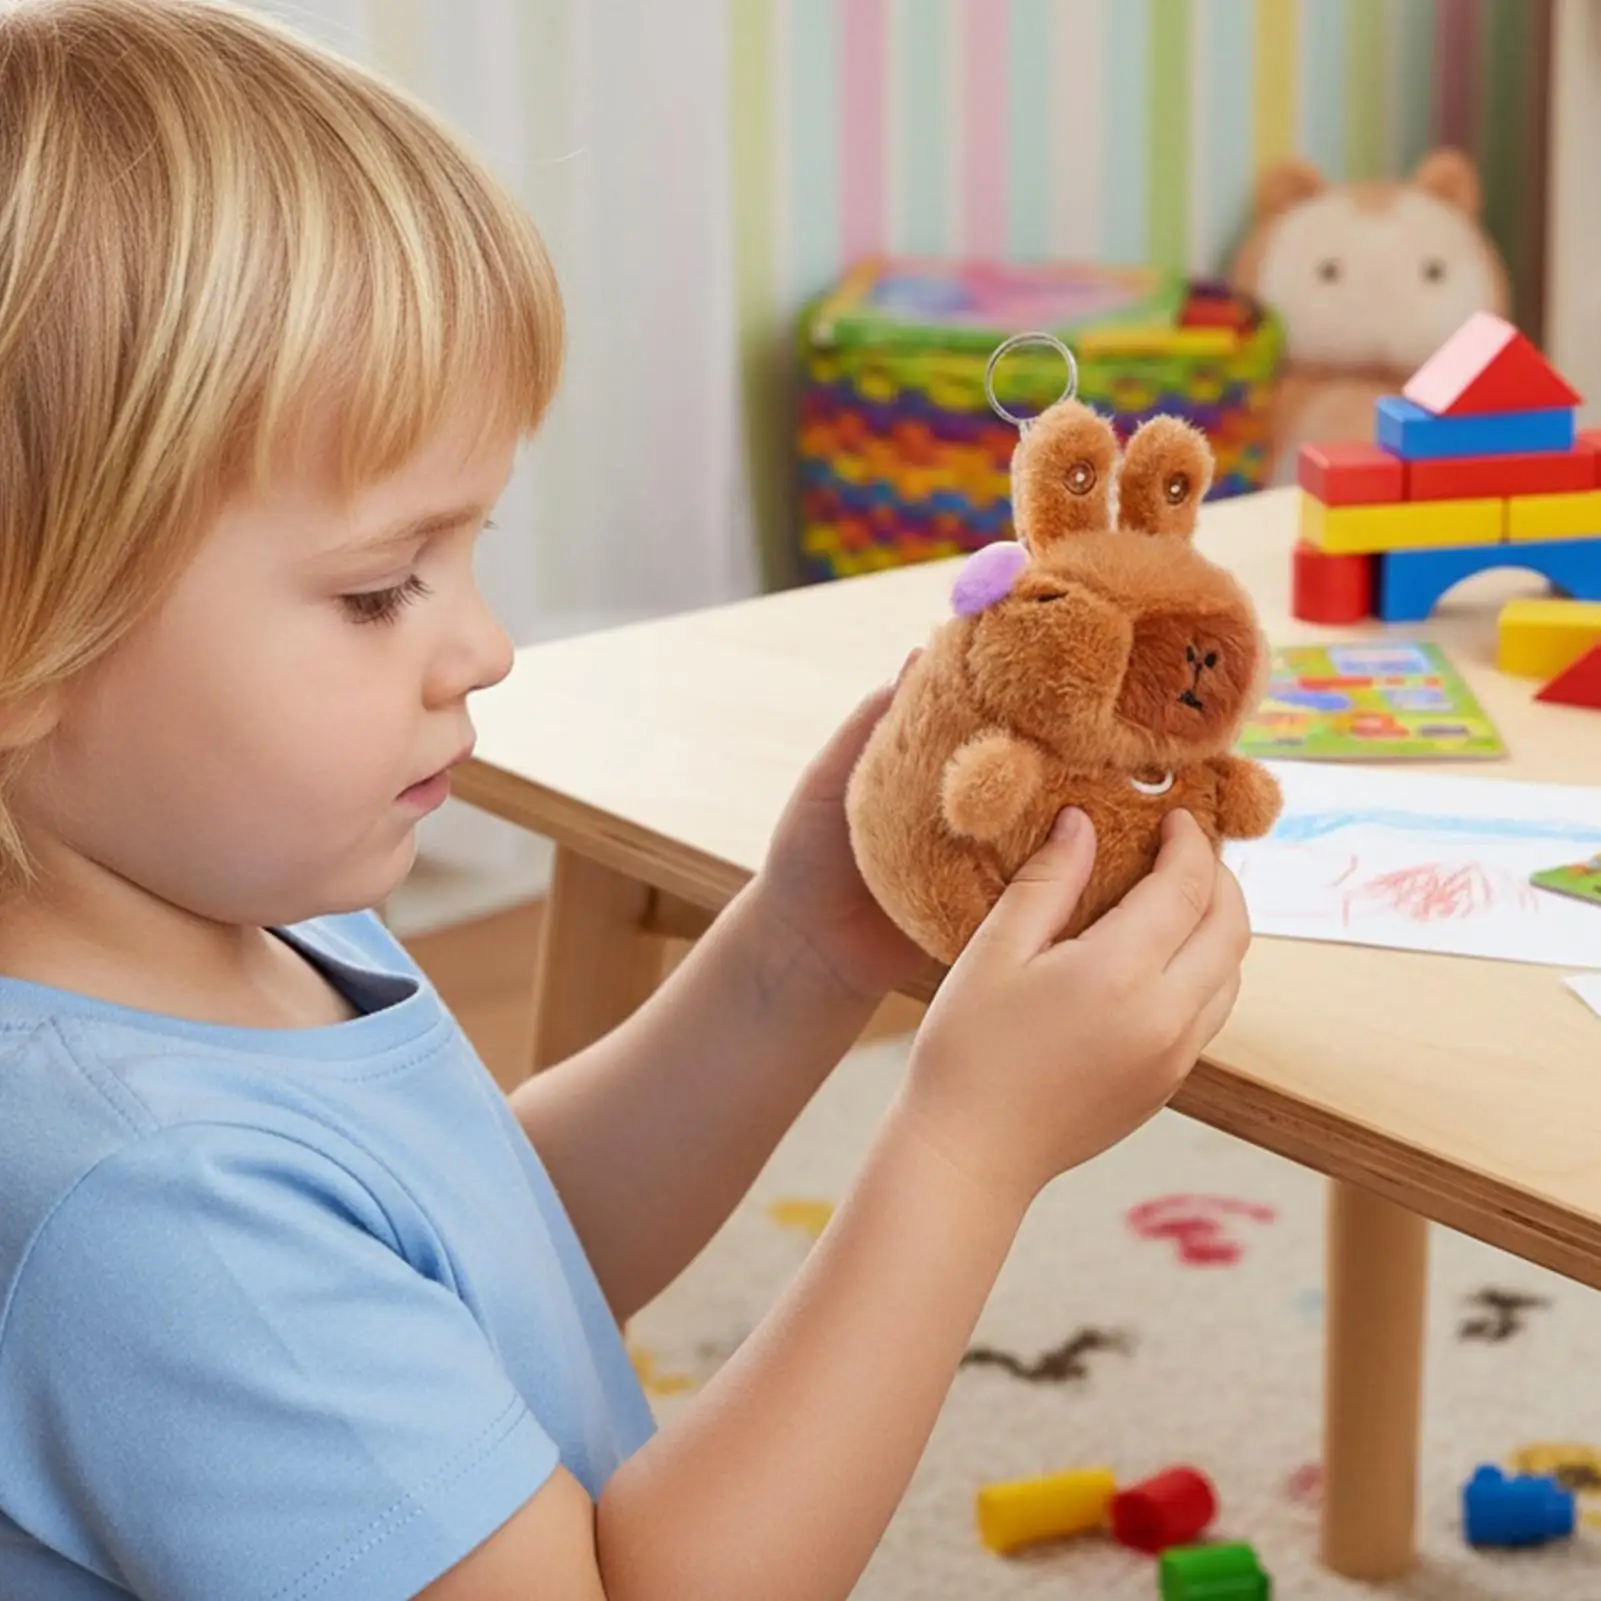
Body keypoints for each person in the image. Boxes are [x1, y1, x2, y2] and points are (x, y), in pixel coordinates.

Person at [0, 3, 1253, 1597]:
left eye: (471, 552)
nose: (484, 643)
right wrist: (964, 1154)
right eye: (383, 589)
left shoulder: (235, 925)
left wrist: (802, 947)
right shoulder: (148, 1213)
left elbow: (490, 1265)